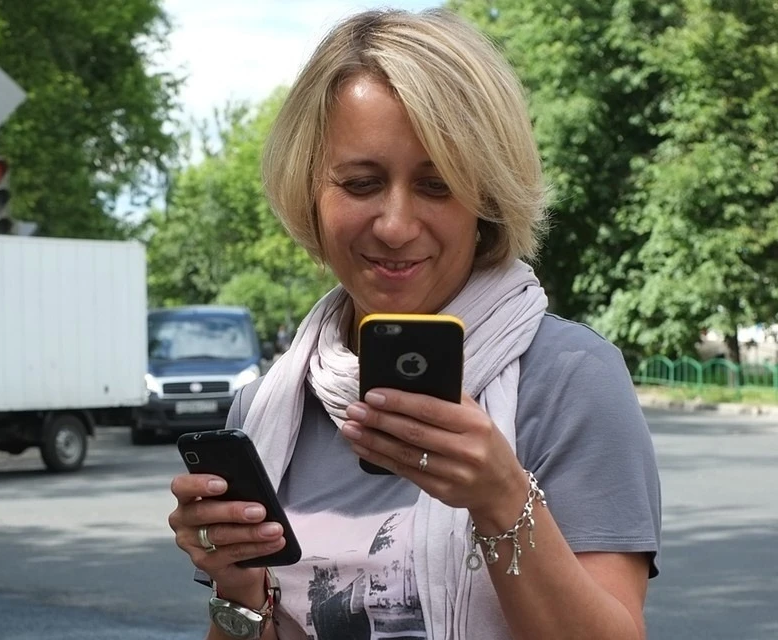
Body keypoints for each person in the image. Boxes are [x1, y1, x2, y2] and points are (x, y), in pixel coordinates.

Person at [168, 8, 661, 640]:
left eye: (436, 185)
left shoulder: (569, 377)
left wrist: (501, 496)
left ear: (486, 197)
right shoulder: (266, 410)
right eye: (361, 183)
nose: (396, 226)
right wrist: (237, 588)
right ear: (310, 191)